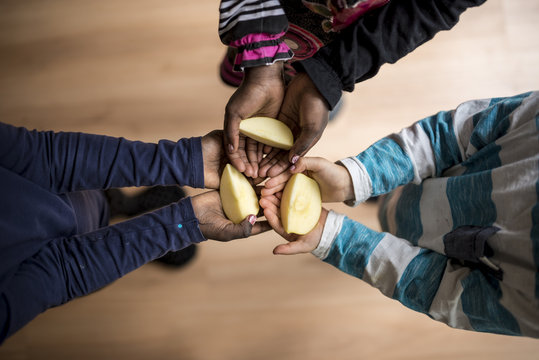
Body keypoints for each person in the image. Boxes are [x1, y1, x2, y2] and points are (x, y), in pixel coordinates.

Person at [260, 91, 539, 337]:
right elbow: (453, 135)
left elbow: (442, 292)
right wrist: (357, 177)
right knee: (392, 194)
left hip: (439, 251)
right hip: (441, 173)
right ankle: (380, 192)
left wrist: (336, 239)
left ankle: (382, 196)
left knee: (392, 217)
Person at [0, 123, 270, 343]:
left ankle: (121, 207)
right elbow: (63, 272)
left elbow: (39, 156)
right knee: (91, 218)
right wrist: (180, 226)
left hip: (64, 198)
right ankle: (122, 211)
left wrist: (184, 162)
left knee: (92, 204)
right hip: (57, 243)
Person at [218, 0, 487, 179]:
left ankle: (299, 85)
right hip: (263, 22)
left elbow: (431, 7)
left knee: (302, 91)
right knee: (244, 74)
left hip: (338, 45)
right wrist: (261, 61)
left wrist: (327, 77)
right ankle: (256, 75)